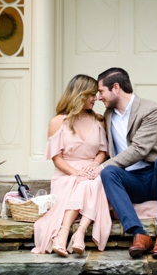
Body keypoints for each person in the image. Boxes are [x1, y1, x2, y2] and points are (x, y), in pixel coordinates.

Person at [96, 67, 157, 261]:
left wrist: (100, 166)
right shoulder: (108, 115)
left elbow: (139, 149)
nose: (99, 97)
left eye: (101, 91)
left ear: (116, 87)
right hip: (132, 181)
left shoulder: (150, 109)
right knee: (108, 174)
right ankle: (138, 234)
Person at [31, 74, 111, 256]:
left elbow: (102, 152)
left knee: (94, 181)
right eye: (92, 94)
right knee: (87, 183)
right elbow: (57, 158)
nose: (96, 98)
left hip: (92, 170)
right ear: (79, 94)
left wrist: (94, 167)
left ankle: (76, 232)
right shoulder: (58, 121)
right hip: (66, 173)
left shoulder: (98, 120)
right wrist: (76, 173)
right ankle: (68, 232)